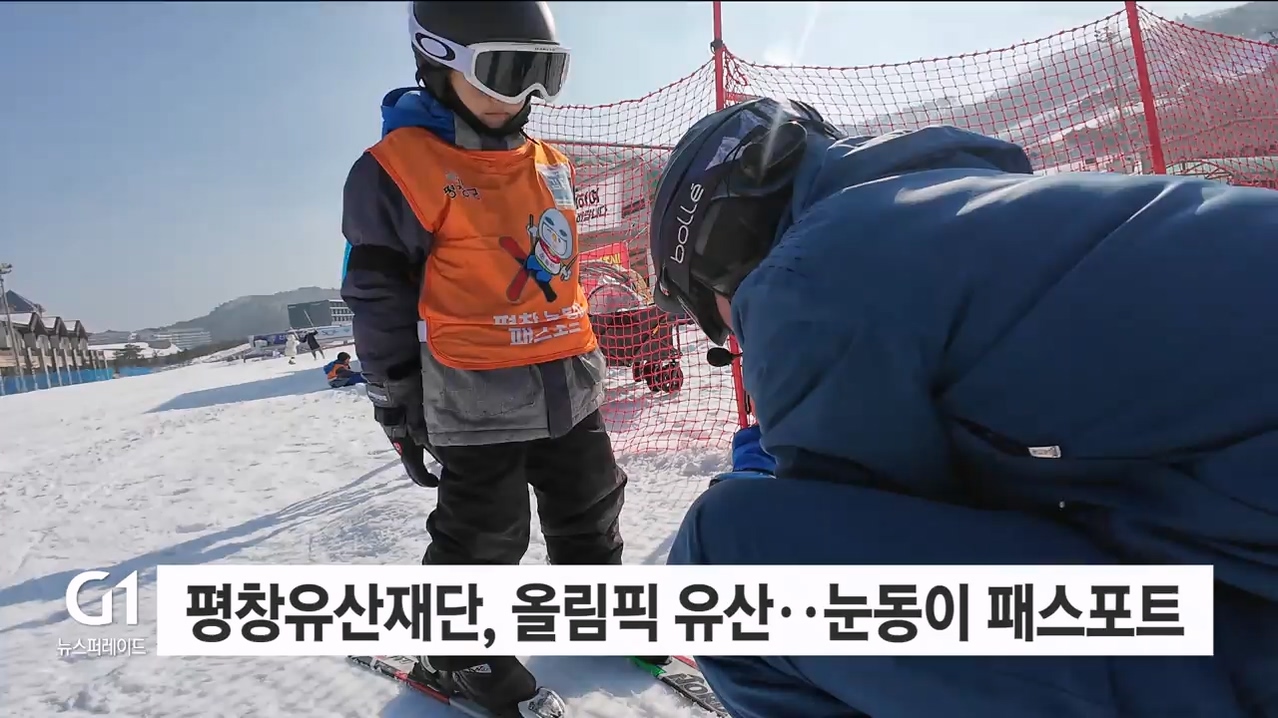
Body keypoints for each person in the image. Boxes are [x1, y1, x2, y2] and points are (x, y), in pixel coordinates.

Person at [650, 97, 1278, 718]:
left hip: (1250, 601)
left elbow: (889, 552)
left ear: (719, 253)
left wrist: (777, 478)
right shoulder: (958, 203)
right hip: (1237, 530)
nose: (735, 335)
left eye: (716, 318)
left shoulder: (805, 280)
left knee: (722, 561)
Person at [339, 2, 650, 715]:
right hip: (474, 394)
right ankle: (459, 657)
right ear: (438, 59)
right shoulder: (397, 170)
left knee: (592, 501)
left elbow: (560, 271)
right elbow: (377, 293)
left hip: (568, 381)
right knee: (485, 532)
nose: (524, 96)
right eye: (506, 72)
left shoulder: (550, 162)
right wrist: (395, 394)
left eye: (543, 74)